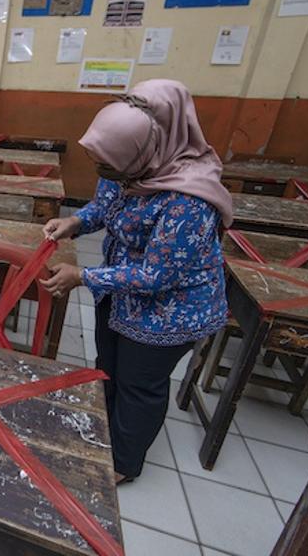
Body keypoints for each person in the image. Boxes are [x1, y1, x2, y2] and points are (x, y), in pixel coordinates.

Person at [40, 79, 232, 484]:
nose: (102, 174)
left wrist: (83, 275)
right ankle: (105, 427)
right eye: (99, 164)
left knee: (139, 383)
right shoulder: (131, 162)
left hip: (170, 310)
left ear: (148, 151)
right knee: (108, 364)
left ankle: (124, 463)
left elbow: (157, 275)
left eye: (108, 167)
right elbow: (105, 206)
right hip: (120, 291)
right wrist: (75, 221)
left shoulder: (190, 201)